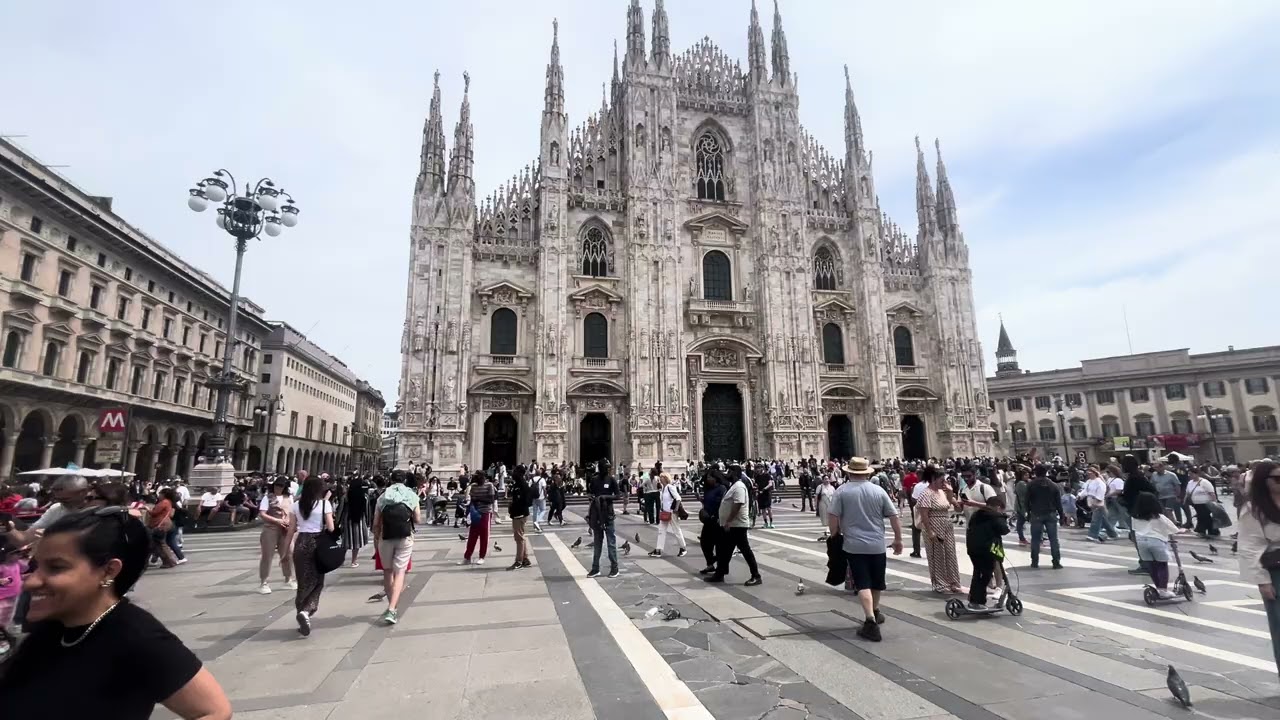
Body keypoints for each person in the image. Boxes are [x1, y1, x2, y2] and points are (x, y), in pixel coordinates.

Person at [0, 507, 232, 719]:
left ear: (109, 571)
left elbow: (214, 711)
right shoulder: (52, 629)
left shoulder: (135, 635)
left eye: (56, 568)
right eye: (35, 566)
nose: (31, 582)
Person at [827, 458, 903, 642]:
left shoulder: (842, 491)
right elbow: (894, 516)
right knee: (877, 582)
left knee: (863, 583)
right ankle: (875, 611)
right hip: (877, 545)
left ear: (848, 472)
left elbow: (833, 516)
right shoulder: (878, 491)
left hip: (854, 546)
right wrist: (898, 539)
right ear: (867, 473)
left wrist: (834, 534)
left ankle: (870, 621)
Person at [1237, 460, 1280, 681]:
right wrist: (1262, 581)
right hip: (1276, 571)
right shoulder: (1254, 510)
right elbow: (1249, 546)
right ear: (1264, 481)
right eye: (1278, 479)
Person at [372, 472, 421, 625]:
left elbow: (375, 523)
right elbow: (418, 519)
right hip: (405, 537)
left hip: (385, 537)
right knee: (399, 573)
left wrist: (377, 538)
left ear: (391, 480)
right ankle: (392, 608)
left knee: (387, 572)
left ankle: (391, 607)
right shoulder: (411, 495)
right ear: (404, 480)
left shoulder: (383, 496)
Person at [291, 475, 334, 637]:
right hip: (317, 543)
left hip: (301, 542)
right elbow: (330, 527)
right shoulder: (324, 504)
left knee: (303, 582)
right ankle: (306, 611)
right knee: (317, 582)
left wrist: (285, 551)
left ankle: (302, 613)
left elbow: (291, 529)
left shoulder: (296, 505)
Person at [706, 465, 762, 586]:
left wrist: (728, 521)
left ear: (735, 473)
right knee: (725, 550)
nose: (727, 473)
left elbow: (738, 504)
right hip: (733, 525)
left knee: (745, 550)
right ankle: (720, 574)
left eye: (729, 471)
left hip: (738, 525)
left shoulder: (739, 487)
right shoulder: (734, 486)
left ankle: (756, 576)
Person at [915, 466, 963, 593]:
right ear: (933, 479)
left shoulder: (942, 492)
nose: (944, 483)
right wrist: (929, 531)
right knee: (937, 554)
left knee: (950, 553)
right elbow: (924, 514)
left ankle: (954, 582)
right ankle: (940, 583)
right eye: (942, 480)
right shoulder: (926, 493)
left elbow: (957, 507)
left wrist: (951, 493)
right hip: (933, 524)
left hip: (946, 524)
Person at [1131, 491, 1182, 599]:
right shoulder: (1159, 517)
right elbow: (1174, 529)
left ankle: (1158, 587)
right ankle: (1163, 590)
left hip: (1141, 542)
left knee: (1152, 566)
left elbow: (1134, 531)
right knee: (1162, 565)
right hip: (1156, 541)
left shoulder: (1134, 517)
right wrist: (1182, 530)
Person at [965, 495, 1009, 610]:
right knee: (984, 575)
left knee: (978, 573)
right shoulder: (995, 516)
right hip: (986, 550)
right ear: (998, 507)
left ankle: (973, 597)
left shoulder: (976, 514)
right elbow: (1004, 530)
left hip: (973, 548)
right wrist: (1003, 517)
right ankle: (977, 602)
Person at [256, 478, 295, 594]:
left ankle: (288, 578)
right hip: (271, 528)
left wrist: (290, 522)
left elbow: (292, 512)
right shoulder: (268, 498)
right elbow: (262, 514)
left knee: (288, 553)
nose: (278, 488)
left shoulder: (289, 498)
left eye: (281, 486)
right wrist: (276, 520)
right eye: (277, 486)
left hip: (285, 529)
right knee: (267, 555)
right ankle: (264, 581)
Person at [1025, 465, 1064, 570]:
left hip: (1036, 513)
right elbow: (1058, 503)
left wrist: (1028, 513)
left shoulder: (1031, 485)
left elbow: (1026, 501)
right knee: (1053, 539)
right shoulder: (1053, 485)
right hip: (1051, 513)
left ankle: (1034, 561)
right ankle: (1056, 562)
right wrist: (1062, 515)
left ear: (1036, 473)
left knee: (1035, 539)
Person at [587, 462, 620, 579]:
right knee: (597, 542)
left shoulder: (611, 480)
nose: (607, 470)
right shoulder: (594, 480)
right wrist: (592, 498)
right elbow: (590, 493)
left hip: (608, 514)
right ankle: (595, 568)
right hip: (597, 513)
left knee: (611, 542)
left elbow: (618, 495)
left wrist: (605, 497)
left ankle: (614, 567)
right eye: (606, 468)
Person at [460, 472, 497, 565]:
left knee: (484, 536)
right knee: (472, 536)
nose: (477, 479)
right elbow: (472, 499)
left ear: (483, 477)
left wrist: (478, 499)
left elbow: (491, 500)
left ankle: (481, 556)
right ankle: (467, 557)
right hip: (475, 512)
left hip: (485, 512)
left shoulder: (489, 485)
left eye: (478, 477)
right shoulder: (473, 486)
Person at [649, 473, 688, 558]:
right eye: (660, 477)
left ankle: (683, 548)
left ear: (666, 478)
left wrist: (676, 509)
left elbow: (678, 498)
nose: (661, 479)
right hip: (665, 512)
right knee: (661, 531)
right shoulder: (663, 488)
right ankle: (658, 549)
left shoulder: (670, 487)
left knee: (676, 530)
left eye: (662, 477)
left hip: (671, 512)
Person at [145, 488, 186, 568]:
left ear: (163, 494)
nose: (159, 495)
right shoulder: (169, 502)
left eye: (160, 493)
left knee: (160, 544)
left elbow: (154, 513)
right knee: (158, 543)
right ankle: (158, 560)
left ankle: (169, 561)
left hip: (160, 525)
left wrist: (147, 509)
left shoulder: (164, 502)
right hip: (166, 524)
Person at [697, 470, 726, 575]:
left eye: (710, 477)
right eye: (707, 477)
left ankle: (719, 568)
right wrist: (701, 499)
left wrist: (718, 516)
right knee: (704, 542)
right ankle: (710, 562)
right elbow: (707, 502)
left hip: (717, 520)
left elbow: (722, 503)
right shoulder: (708, 489)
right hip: (708, 519)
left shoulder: (721, 488)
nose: (708, 479)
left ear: (716, 478)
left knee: (718, 544)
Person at [506, 467, 533, 571]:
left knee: (519, 538)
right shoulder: (518, 484)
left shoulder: (522, 485)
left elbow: (524, 500)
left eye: (515, 472)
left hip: (519, 514)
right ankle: (525, 559)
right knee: (521, 536)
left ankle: (519, 561)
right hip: (518, 513)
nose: (513, 473)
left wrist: (514, 507)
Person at [341, 477, 370, 569]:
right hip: (359, 520)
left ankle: (341, 560)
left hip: (348, 520)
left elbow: (341, 510)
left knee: (346, 541)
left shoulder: (346, 497)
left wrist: (338, 522)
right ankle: (353, 561)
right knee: (357, 541)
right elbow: (367, 510)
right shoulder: (365, 497)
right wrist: (368, 522)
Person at [1083, 467, 1118, 542]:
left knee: (1095, 519)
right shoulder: (1089, 481)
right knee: (1103, 520)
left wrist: (1098, 499)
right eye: (1088, 474)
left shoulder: (1099, 481)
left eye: (1090, 473)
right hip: (1090, 500)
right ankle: (1113, 534)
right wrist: (1080, 495)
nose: (1089, 475)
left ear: (1094, 473)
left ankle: (1092, 535)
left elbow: (1102, 490)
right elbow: (1085, 490)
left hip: (1097, 501)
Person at [1186, 467, 1220, 538]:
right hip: (1196, 504)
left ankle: (1202, 530)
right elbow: (1188, 493)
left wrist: (1214, 502)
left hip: (1205, 503)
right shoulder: (1190, 483)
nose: (1190, 475)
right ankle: (1212, 530)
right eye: (1189, 474)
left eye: (1191, 474)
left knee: (1204, 516)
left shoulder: (1204, 482)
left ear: (1197, 474)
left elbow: (1212, 493)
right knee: (1203, 517)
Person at [1150, 461, 1185, 526]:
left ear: (1162, 467)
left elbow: (1177, 485)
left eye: (1157, 467)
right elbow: (1152, 484)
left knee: (1168, 510)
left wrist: (1178, 496)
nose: (1156, 469)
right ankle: (1169, 524)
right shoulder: (1154, 475)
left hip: (1171, 495)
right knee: (1163, 512)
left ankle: (1175, 524)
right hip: (1160, 496)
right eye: (1155, 468)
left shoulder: (1171, 475)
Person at [816, 472, 836, 541]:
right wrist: (816, 505)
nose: (827, 480)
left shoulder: (832, 487)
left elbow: (835, 496)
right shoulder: (820, 487)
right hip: (823, 503)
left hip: (831, 503)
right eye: (825, 479)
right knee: (824, 517)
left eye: (828, 479)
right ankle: (826, 530)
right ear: (823, 480)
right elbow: (816, 496)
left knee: (831, 517)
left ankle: (829, 530)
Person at [529, 469, 547, 533]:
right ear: (540, 474)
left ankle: (535, 527)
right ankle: (537, 521)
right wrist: (545, 496)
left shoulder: (531, 480)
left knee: (535, 512)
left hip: (534, 497)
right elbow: (544, 489)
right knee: (543, 510)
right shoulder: (542, 479)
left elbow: (529, 488)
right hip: (541, 497)